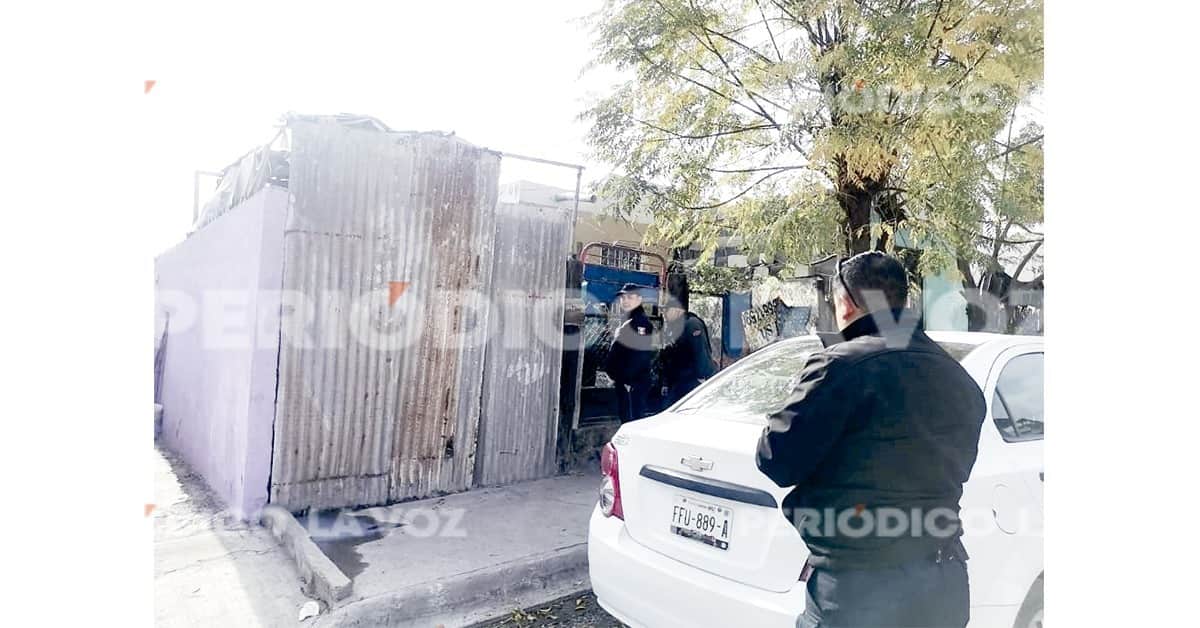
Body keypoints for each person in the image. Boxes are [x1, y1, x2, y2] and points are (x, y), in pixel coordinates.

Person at [755, 251, 987, 628]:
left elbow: (775, 460)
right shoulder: (959, 379)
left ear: (845, 302)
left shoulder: (839, 367)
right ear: (903, 301)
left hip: (859, 587)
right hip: (944, 583)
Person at [605, 283, 654, 423]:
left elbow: (639, 356)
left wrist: (628, 380)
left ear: (639, 299)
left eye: (630, 297)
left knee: (631, 422)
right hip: (626, 384)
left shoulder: (640, 323)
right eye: (623, 298)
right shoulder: (629, 320)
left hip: (631, 386)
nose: (625, 301)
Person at [659, 292, 717, 406]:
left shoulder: (691, 324)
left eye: (666, 311)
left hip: (691, 379)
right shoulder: (673, 328)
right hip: (678, 379)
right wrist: (665, 382)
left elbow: (700, 351)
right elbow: (669, 356)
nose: (664, 314)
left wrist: (701, 377)